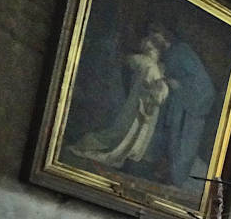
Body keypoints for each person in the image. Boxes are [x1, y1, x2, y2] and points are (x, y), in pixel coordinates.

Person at [68, 32, 170, 168]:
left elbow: (154, 87)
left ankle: (91, 145)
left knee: (124, 130)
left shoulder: (148, 64)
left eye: (148, 43)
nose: (144, 44)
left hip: (140, 105)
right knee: (122, 129)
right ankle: (89, 144)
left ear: (153, 48)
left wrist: (153, 90)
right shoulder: (150, 65)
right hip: (138, 103)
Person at [147, 23, 216, 189]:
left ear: (164, 35)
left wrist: (179, 84)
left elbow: (201, 81)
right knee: (172, 142)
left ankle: (177, 180)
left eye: (156, 37)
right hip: (178, 106)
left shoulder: (182, 51)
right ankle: (172, 177)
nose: (154, 41)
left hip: (192, 106)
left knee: (185, 146)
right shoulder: (168, 54)